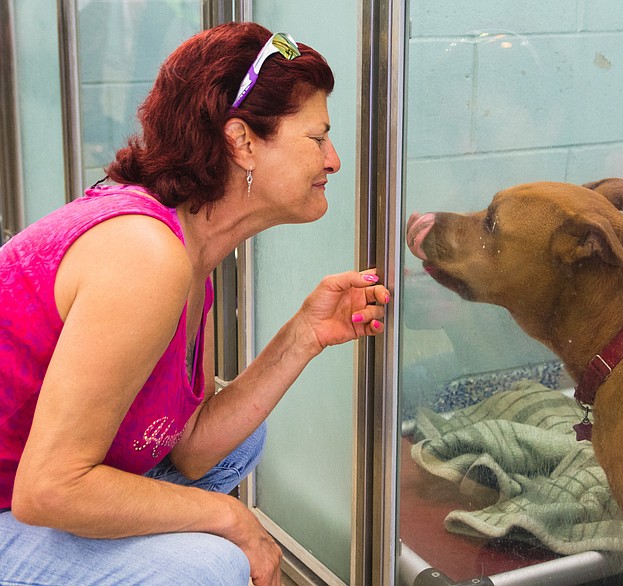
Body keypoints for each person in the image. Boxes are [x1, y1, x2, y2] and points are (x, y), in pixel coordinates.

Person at [0, 21, 389, 586]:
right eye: (316, 137)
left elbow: (192, 451)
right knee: (207, 567)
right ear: (242, 141)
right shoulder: (144, 256)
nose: (333, 160)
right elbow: (50, 487)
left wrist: (304, 333)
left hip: (25, 490)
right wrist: (232, 520)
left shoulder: (187, 253)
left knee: (240, 440)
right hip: (21, 501)